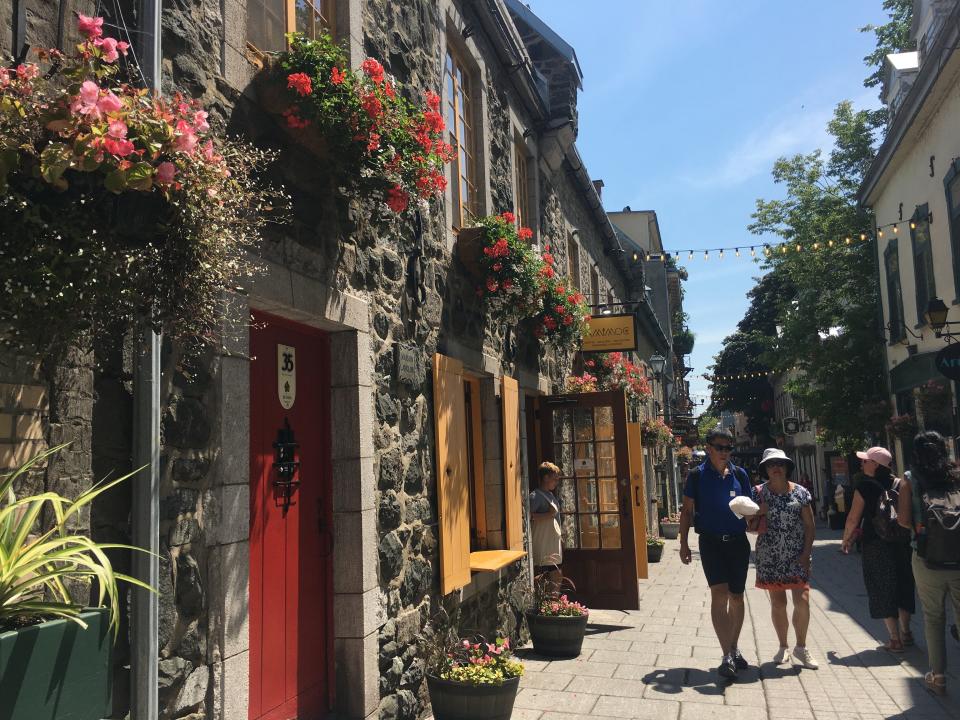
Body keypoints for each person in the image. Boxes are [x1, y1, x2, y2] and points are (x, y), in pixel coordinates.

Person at [679, 428, 753, 679]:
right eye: (719, 447)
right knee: (719, 595)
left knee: (738, 597)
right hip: (710, 543)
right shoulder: (697, 476)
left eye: (728, 447)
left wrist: (754, 516)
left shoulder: (740, 474)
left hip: (738, 542)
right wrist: (683, 543)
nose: (724, 452)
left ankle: (734, 646)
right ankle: (726, 655)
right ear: (708, 448)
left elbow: (750, 509)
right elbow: (687, 511)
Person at [896, 431, 960, 696]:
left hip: (925, 555)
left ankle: (938, 676)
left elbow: (901, 520)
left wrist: (919, 529)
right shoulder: (956, 475)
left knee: (933, 618)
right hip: (958, 555)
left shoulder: (909, 480)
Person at [841, 446, 915, 652]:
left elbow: (853, 518)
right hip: (902, 542)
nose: (862, 463)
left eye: (865, 460)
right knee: (903, 584)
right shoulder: (902, 484)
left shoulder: (864, 487)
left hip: (875, 544)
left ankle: (894, 639)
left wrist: (846, 539)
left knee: (882, 588)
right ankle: (907, 632)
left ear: (875, 464)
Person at [751, 449, 818, 669]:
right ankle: (783, 646)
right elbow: (749, 526)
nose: (776, 468)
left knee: (802, 600)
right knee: (778, 603)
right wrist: (758, 511)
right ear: (766, 470)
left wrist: (807, 553)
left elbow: (809, 525)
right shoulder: (758, 493)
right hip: (770, 556)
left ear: (787, 467)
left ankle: (801, 646)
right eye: (771, 465)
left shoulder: (800, 493)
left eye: (780, 463)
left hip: (797, 556)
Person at [530, 462, 563, 586]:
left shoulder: (550, 495)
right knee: (544, 575)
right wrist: (549, 515)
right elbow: (528, 517)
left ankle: (554, 604)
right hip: (543, 542)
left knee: (557, 573)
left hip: (552, 542)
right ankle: (547, 603)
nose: (556, 481)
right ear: (545, 478)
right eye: (554, 478)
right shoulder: (535, 496)